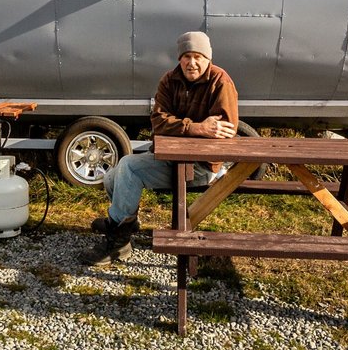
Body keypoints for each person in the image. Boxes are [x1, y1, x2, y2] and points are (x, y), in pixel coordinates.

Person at [79, 31, 239, 266]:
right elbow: (158, 122)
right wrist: (196, 128)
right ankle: (126, 221)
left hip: (201, 167)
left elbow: (223, 132)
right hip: (168, 159)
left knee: (128, 166)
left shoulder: (220, 82)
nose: (191, 63)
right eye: (186, 56)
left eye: (198, 56)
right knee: (111, 178)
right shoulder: (169, 80)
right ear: (179, 58)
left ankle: (118, 242)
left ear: (208, 58)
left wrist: (182, 130)